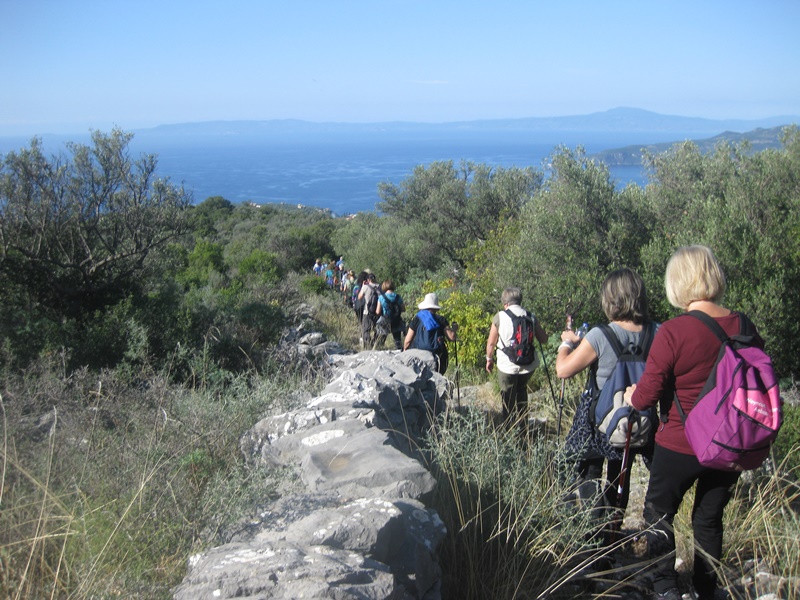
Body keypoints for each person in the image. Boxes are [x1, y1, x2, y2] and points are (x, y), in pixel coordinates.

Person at [624, 246, 764, 600]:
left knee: (659, 513)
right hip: (731, 443)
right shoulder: (745, 326)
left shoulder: (673, 331)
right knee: (709, 518)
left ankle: (665, 586)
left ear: (678, 283)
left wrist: (630, 395)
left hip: (680, 443)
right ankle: (705, 587)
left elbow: (645, 397)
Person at [556, 268, 657, 537]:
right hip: (635, 419)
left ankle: (590, 533)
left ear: (611, 299)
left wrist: (566, 344)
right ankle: (612, 531)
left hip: (598, 421)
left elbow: (563, 370)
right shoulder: (656, 332)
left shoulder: (601, 335)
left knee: (588, 471)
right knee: (620, 475)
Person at [485, 287, 547, 435]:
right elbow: (544, 339)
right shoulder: (531, 316)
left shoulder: (500, 316)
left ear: (505, 303)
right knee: (521, 391)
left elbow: (491, 343)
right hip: (528, 365)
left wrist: (489, 359)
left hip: (507, 366)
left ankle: (508, 431)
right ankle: (523, 429)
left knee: (507, 397)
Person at [403, 293, 456, 373]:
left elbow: (408, 340)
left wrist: (404, 351)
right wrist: (454, 328)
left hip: (419, 355)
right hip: (438, 356)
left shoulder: (417, 319)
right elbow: (452, 337)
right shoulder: (441, 320)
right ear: (436, 308)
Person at [374, 279, 406, 350]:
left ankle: (379, 351)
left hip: (385, 320)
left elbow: (378, 312)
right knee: (398, 341)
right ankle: (400, 352)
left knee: (380, 340)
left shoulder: (381, 297)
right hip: (397, 321)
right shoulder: (398, 297)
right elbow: (403, 309)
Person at [358, 272, 380, 349]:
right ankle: (375, 344)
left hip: (367, 311)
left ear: (368, 279)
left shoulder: (365, 287)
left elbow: (359, 297)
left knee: (366, 329)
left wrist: (363, 286)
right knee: (377, 329)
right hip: (377, 312)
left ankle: (367, 346)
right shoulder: (379, 287)